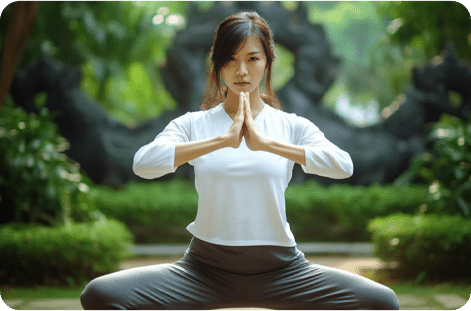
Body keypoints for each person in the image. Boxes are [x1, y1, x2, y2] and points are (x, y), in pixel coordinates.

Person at [80, 11, 399, 310]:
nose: (242, 71)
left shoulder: (291, 126)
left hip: (284, 271)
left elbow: (342, 165)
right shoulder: (193, 124)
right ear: (217, 65)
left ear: (268, 62)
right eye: (231, 60)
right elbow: (144, 164)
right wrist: (219, 141)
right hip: (201, 272)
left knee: (382, 301)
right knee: (99, 294)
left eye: (252, 58)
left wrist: (269, 145)